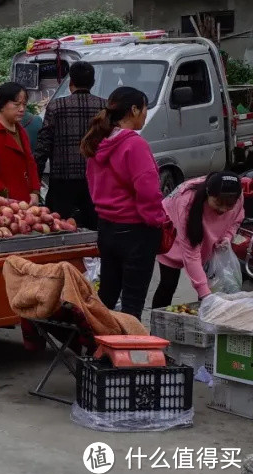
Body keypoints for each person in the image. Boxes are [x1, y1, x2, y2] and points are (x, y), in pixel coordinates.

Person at [82, 86, 167, 318]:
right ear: (134, 109)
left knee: (108, 297)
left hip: (107, 228)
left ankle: (101, 350)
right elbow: (149, 192)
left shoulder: (98, 141)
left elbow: (92, 185)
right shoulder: (135, 144)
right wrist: (156, 221)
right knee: (132, 303)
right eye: (145, 108)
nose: (145, 114)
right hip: (136, 231)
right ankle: (127, 351)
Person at [152, 172, 244, 308]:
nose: (223, 209)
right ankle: (157, 325)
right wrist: (206, 296)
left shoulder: (237, 196)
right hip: (173, 233)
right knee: (168, 283)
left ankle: (205, 321)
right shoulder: (187, 203)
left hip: (207, 235)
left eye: (229, 206)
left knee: (211, 284)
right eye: (218, 203)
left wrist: (227, 237)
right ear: (208, 194)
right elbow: (191, 255)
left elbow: (237, 218)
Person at [34, 61, 106, 228]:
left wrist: (36, 177)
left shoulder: (55, 106)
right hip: (96, 180)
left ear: (70, 82)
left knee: (62, 228)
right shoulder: (104, 106)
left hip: (62, 180)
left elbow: (44, 145)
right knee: (94, 227)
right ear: (93, 82)